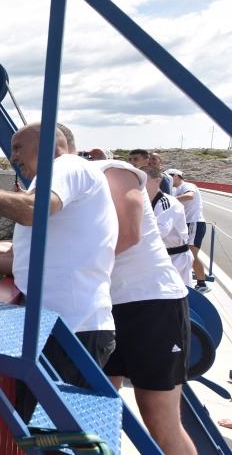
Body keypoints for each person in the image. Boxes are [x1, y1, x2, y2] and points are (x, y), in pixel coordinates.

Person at [0, 123, 118, 421]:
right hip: (66, 327)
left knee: (57, 439)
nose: (13, 157)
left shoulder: (67, 167)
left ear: (47, 144)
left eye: (18, 147)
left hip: (72, 329)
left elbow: (31, 211)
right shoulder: (57, 178)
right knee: (46, 435)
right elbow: (24, 260)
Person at [91, 158, 195, 455]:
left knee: (160, 419)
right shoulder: (66, 189)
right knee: (99, 408)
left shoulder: (111, 170)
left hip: (152, 303)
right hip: (109, 307)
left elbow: (129, 235)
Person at [141, 165, 193, 286]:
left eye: (144, 179)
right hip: (159, 255)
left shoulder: (167, 202)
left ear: (157, 180)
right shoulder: (144, 202)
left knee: (181, 295)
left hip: (176, 258)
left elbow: (160, 232)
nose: (140, 183)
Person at [168, 169, 210, 292]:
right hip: (188, 223)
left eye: (169, 178)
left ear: (176, 176)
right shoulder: (176, 189)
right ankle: (199, 282)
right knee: (188, 254)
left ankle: (202, 284)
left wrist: (170, 199)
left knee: (191, 254)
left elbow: (190, 196)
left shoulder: (187, 185)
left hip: (194, 222)